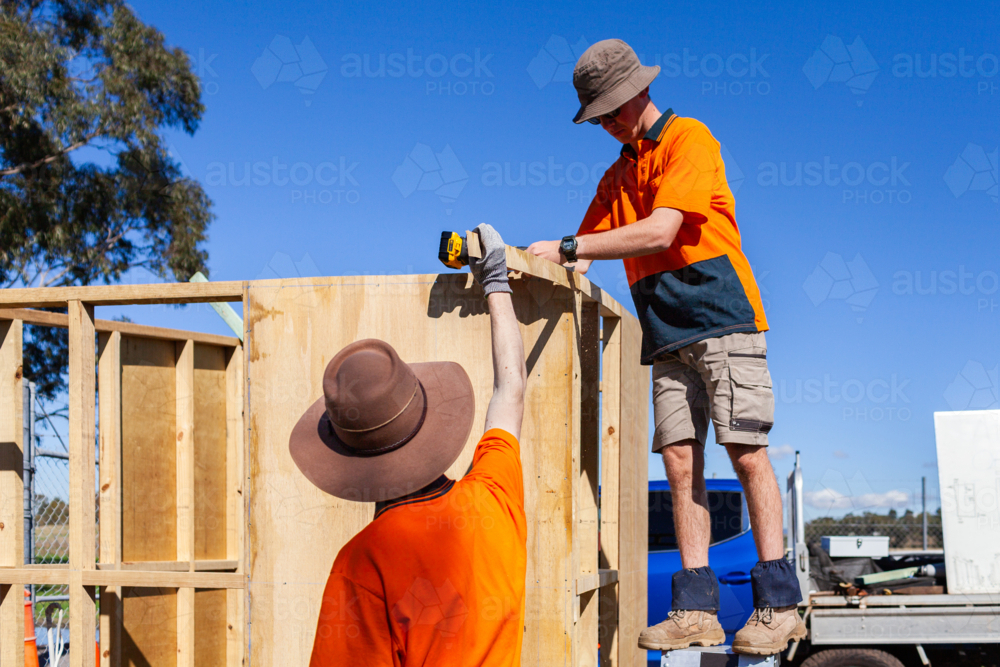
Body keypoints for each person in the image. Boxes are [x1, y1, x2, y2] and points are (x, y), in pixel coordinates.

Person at [526, 39, 805, 656]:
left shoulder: (691, 140)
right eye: (596, 117)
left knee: (746, 452)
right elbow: (585, 244)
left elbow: (659, 229)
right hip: (667, 333)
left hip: (722, 318)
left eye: (608, 111)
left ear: (636, 93)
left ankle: (780, 603)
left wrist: (569, 248)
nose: (604, 124)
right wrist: (525, 262)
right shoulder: (618, 172)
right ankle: (695, 609)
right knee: (680, 463)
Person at [289, 224, 528, 665]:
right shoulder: (494, 498)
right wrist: (495, 283)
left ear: (348, 457)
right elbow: (510, 391)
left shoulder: (363, 563)